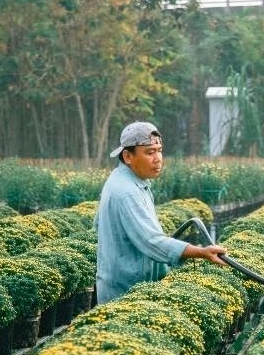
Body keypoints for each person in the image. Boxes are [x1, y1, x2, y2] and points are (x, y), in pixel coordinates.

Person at [95, 121, 227, 304]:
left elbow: (99, 224)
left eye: (159, 150)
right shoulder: (127, 192)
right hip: (126, 292)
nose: (158, 158)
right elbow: (151, 242)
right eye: (150, 152)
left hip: (127, 286)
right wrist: (201, 252)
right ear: (127, 156)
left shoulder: (126, 181)